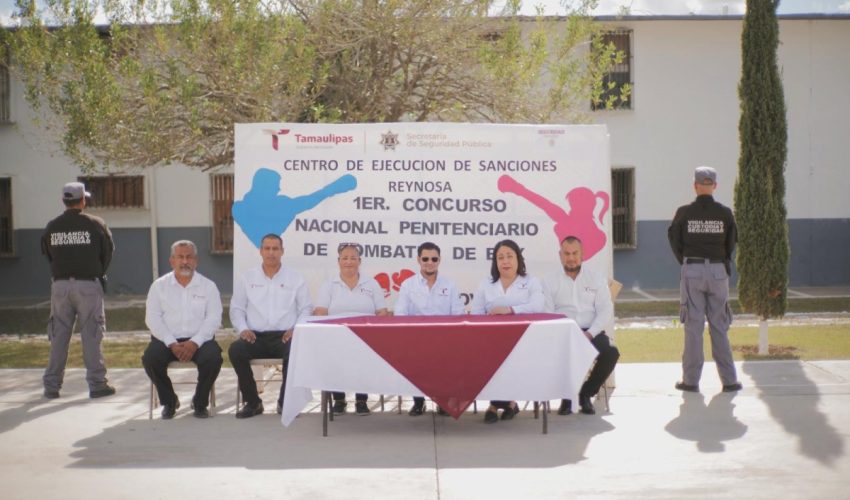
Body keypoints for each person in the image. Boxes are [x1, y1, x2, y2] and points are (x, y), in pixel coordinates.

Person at [667, 166, 742, 393]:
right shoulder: (725, 213)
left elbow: (674, 239)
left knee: (693, 327)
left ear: (695, 186)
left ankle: (691, 381)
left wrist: (687, 261)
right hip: (718, 272)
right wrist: (719, 261)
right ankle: (729, 381)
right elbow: (731, 242)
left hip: (693, 269)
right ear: (715, 186)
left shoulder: (684, 212)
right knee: (719, 326)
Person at [41, 181, 115, 400]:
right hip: (88, 284)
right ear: (83, 200)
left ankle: (51, 386)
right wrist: (97, 272)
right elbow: (108, 252)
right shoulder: (96, 223)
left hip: (60, 286)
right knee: (92, 334)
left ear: (64, 201)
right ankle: (97, 384)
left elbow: (47, 254)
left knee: (59, 335)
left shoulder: (52, 226)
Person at [229, 233, 313, 418]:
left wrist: (296, 329)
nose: (271, 252)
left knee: (296, 350)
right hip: (255, 337)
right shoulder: (247, 277)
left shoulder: (295, 278)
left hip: (285, 336)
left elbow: (306, 308)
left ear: (282, 251)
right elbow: (236, 309)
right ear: (260, 251)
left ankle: (285, 403)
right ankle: (253, 403)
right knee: (236, 350)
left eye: (275, 248)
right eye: (267, 248)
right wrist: (243, 329)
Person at [142, 240, 223, 419]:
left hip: (200, 341)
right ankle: (169, 401)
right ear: (172, 261)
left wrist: (194, 342)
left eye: (189, 257)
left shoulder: (208, 286)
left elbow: (214, 319)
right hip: (167, 340)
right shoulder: (159, 286)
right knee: (151, 359)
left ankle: (200, 403)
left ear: (196, 261)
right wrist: (171, 343)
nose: (185, 261)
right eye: (180, 257)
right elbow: (152, 319)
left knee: (213, 358)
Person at [470, 239, 545, 423]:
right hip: (490, 340)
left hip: (523, 340)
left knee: (510, 358)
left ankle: (495, 405)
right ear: (495, 262)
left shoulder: (531, 282)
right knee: (486, 356)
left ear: (518, 259)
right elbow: (476, 312)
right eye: (500, 257)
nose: (505, 261)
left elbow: (538, 305)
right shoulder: (486, 284)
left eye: (509, 256)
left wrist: (510, 310)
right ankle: (509, 404)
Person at [543, 236, 619, 416]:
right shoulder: (549, 281)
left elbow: (605, 310)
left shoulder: (596, 278)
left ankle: (585, 394)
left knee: (611, 352)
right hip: (563, 332)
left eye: (575, 253)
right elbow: (548, 312)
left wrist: (590, 333)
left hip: (590, 331)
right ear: (560, 255)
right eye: (567, 254)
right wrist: (565, 333)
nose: (571, 258)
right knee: (559, 353)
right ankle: (567, 396)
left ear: (582, 254)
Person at [313, 243, 388, 416]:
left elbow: (382, 312)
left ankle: (362, 400)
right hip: (336, 338)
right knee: (333, 357)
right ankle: (339, 400)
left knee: (364, 357)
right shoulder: (329, 285)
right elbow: (321, 312)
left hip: (366, 338)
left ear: (359, 261)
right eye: (345, 258)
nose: (349, 262)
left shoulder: (371, 283)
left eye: (353, 258)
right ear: (338, 261)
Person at [394, 242, 465, 416]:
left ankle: (443, 402)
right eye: (425, 259)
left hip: (444, 339)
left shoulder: (450, 285)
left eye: (434, 259)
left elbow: (458, 313)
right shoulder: (408, 285)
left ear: (439, 260)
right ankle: (419, 403)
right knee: (413, 364)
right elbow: (400, 314)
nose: (430, 263)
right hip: (416, 339)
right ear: (418, 260)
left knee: (447, 366)